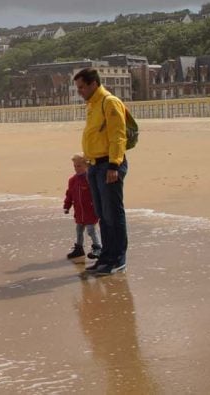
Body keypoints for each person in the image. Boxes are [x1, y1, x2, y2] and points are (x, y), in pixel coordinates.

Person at [74, 67, 129, 275]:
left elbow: (118, 136)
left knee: (113, 214)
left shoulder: (109, 102)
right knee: (102, 215)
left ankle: (118, 259)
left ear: (93, 84)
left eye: (81, 87)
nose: (79, 91)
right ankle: (106, 256)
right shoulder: (92, 105)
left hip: (109, 165)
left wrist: (114, 165)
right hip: (95, 165)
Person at [64, 153, 102, 261]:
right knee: (79, 229)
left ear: (87, 166)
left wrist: (99, 206)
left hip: (91, 210)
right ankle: (79, 248)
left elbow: (98, 193)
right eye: (75, 166)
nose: (76, 168)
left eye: (79, 166)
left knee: (91, 229)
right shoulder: (73, 180)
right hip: (79, 211)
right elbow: (69, 194)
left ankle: (98, 247)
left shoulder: (90, 179)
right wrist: (67, 206)